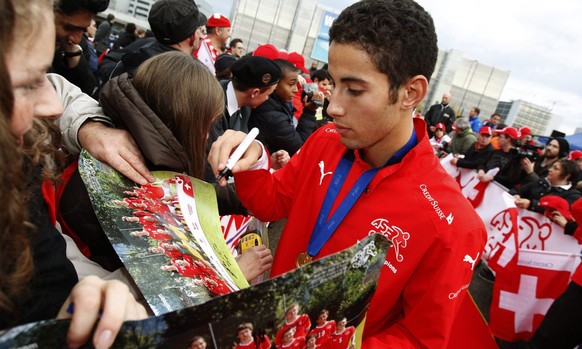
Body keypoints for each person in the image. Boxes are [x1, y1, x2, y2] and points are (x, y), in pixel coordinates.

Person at [208, 0, 487, 347]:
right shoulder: (326, 140)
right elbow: (271, 205)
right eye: (334, 84)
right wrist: (254, 163)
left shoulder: (452, 225)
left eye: (354, 90)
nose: (333, 106)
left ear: (410, 92)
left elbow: (419, 338)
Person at [1, 0, 146, 347]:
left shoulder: (17, 165)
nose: (53, 106)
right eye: (28, 83)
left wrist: (88, 125)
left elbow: (50, 283)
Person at [98, 0, 207, 85]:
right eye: (200, 30)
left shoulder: (143, 48)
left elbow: (108, 63)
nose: (202, 36)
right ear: (193, 37)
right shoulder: (196, 76)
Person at [249, 58, 320, 155]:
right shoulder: (272, 116)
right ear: (275, 84)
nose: (295, 90)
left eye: (296, 84)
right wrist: (309, 112)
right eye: (291, 84)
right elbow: (299, 147)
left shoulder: (279, 103)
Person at [52, 0, 110, 94]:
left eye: (83, 30)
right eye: (69, 28)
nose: (76, 40)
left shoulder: (78, 46)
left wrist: (73, 56)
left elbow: (86, 89)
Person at [510, 159, 581, 213]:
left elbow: (556, 211)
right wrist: (516, 195)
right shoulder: (541, 182)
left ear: (567, 176)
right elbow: (517, 190)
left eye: (555, 169)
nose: (550, 170)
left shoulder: (572, 195)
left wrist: (531, 205)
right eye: (551, 167)